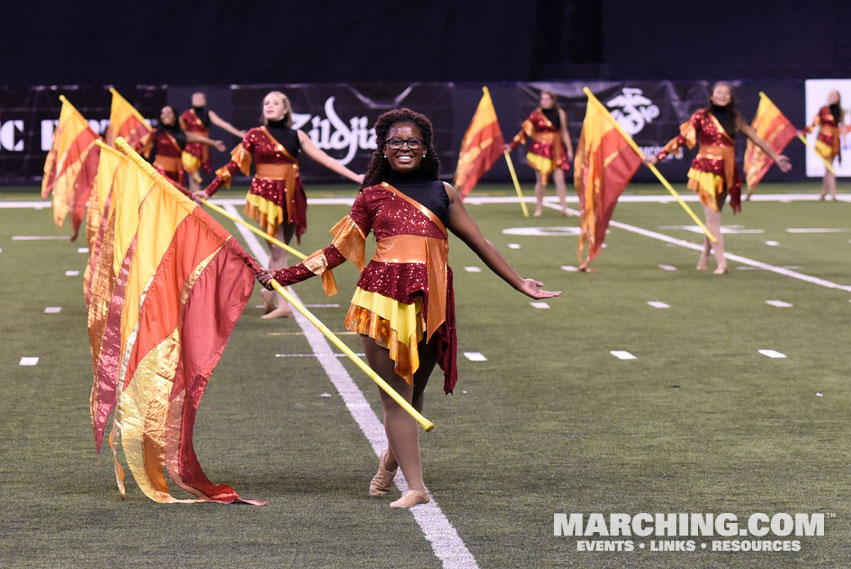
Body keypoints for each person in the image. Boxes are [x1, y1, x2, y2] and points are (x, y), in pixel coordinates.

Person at [257, 108, 561, 508]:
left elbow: (481, 243)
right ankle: (416, 488)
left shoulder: (443, 193)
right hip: (381, 304)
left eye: (412, 142)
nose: (404, 148)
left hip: (432, 302)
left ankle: (390, 461)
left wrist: (520, 283)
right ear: (383, 149)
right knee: (396, 398)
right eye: (396, 142)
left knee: (414, 395)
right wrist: (285, 276)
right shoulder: (370, 196)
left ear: (425, 148)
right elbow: (338, 250)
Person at [194, 91, 363, 319]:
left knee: (278, 248)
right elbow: (232, 166)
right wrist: (208, 191)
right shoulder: (255, 134)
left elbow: (327, 159)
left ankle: (268, 291)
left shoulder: (297, 135)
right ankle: (284, 304)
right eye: (266, 103)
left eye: (275, 103)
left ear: (285, 110)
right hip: (268, 199)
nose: (270, 106)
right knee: (279, 249)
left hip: (292, 196)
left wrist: (356, 177)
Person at [645, 82, 791, 274]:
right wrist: (658, 157)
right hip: (705, 171)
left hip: (726, 172)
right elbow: (682, 138)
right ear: (711, 96)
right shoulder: (701, 116)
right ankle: (722, 262)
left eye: (726, 93)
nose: (722, 96)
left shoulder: (736, 119)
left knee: (713, 217)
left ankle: (704, 255)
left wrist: (776, 157)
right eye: (719, 92)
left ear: (730, 98)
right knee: (712, 218)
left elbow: (757, 140)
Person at [505, 90, 574, 217]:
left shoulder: (560, 113)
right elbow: (524, 131)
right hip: (541, 152)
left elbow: (564, 132)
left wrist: (569, 149)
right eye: (542, 99)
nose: (544, 102)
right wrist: (512, 146)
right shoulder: (536, 115)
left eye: (547, 99)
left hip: (557, 150)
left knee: (560, 180)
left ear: (553, 101)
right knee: (541, 181)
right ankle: (539, 208)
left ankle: (564, 208)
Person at [141, 105, 225, 188]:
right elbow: (140, 145)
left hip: (178, 174)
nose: (165, 115)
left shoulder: (182, 135)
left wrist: (214, 143)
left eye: (169, 113)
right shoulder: (155, 133)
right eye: (163, 113)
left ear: (175, 116)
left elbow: (200, 139)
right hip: (160, 172)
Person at [180, 91, 247, 194]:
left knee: (197, 176)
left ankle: (194, 199)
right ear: (192, 101)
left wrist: (239, 133)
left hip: (204, 148)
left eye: (201, 98)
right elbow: (180, 132)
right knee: (193, 175)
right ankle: (194, 199)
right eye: (196, 98)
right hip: (190, 148)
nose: (198, 100)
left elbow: (224, 125)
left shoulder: (209, 114)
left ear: (205, 101)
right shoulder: (186, 115)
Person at [801, 90, 845, 201]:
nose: (830, 97)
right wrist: (804, 132)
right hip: (824, 142)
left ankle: (824, 193)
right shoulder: (823, 110)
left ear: (838, 98)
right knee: (829, 167)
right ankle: (833, 194)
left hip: (834, 142)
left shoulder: (840, 110)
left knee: (828, 168)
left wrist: (844, 141)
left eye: (833, 95)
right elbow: (815, 123)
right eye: (829, 95)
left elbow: (843, 126)